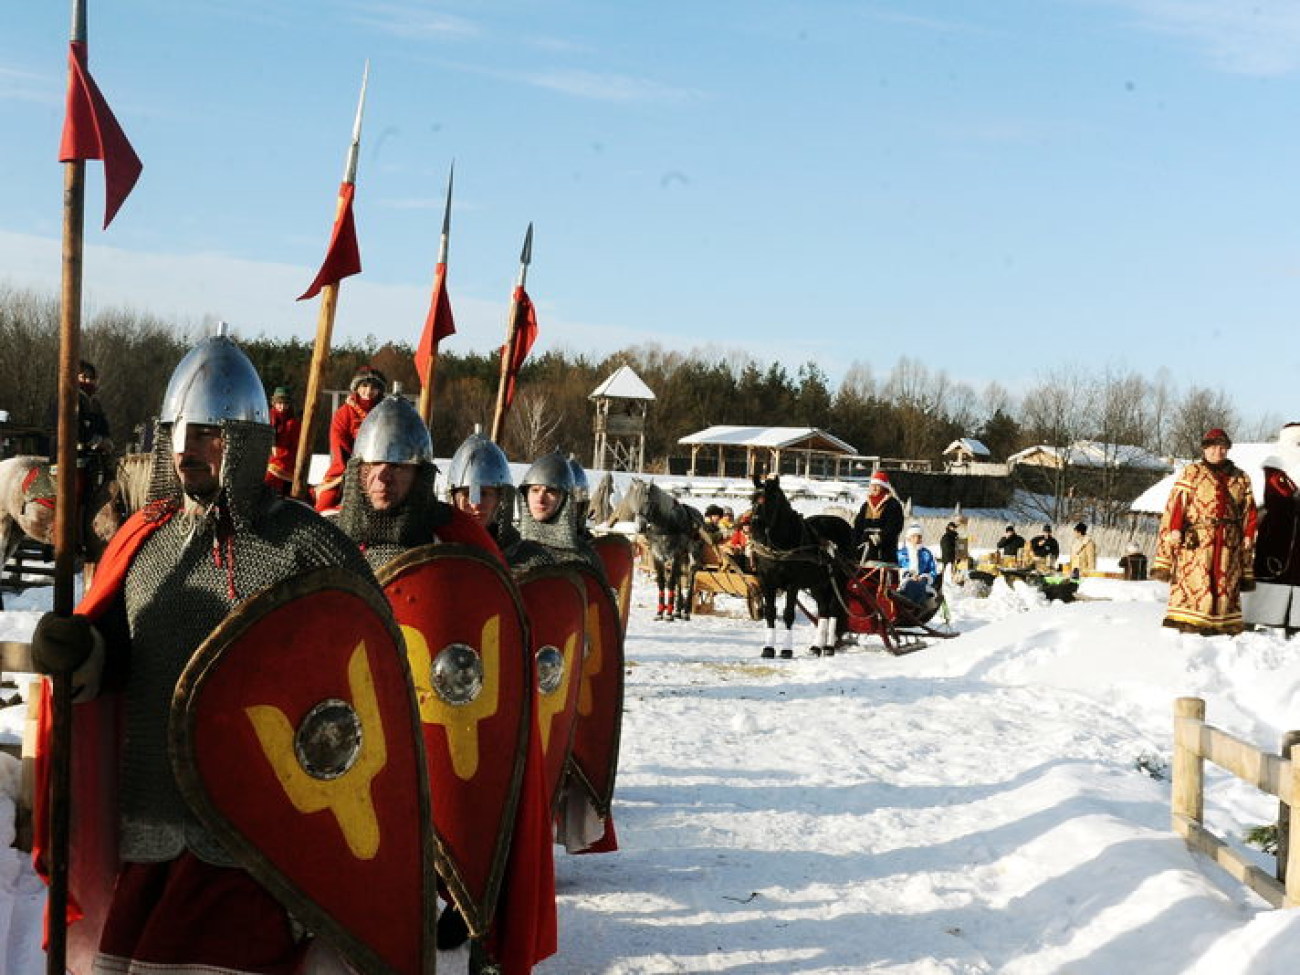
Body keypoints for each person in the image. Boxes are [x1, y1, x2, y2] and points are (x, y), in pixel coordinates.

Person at [30, 327, 381, 975]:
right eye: (180, 432)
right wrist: (80, 656)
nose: (188, 449)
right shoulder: (143, 541)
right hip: (152, 824)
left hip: (254, 836)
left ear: (247, 441)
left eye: (208, 433)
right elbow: (118, 667)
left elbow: (364, 680)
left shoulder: (304, 544)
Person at [336, 389, 500, 572]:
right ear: (357, 471)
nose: (382, 478)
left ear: (420, 476)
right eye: (373, 465)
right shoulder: (328, 541)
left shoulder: (458, 536)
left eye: (397, 467)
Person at [1153, 427, 1257, 635]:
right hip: (1198, 539)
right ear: (1205, 449)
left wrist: (1248, 534)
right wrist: (1175, 529)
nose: (1217, 452)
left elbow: (1250, 510)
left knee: (1225, 580)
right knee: (1196, 579)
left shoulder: (1241, 477)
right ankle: (1190, 622)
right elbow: (1177, 504)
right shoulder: (1192, 472)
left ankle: (1222, 624)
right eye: (1213, 447)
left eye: (1222, 448)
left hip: (1229, 540)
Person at [446, 429, 554, 571]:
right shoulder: (438, 548)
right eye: (467, 494)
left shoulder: (525, 558)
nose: (475, 504)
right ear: (453, 498)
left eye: (484, 494)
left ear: (500, 498)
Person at [1245, 422, 1300, 634]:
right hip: (1279, 528)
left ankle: (1295, 621)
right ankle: (1262, 616)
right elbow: (1279, 497)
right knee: (1272, 571)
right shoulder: (1275, 465)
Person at [314, 364, 386, 514]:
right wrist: (349, 471)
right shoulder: (344, 413)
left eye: (373, 387)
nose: (368, 391)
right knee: (324, 504)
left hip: (379, 469)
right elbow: (338, 444)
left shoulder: (385, 413)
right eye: (364, 386)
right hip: (346, 468)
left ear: (379, 390)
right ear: (357, 387)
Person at [853, 470, 904, 564]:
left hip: (884, 550)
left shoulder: (893, 505)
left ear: (884, 487)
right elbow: (858, 524)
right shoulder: (866, 505)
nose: (874, 488)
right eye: (873, 485)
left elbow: (895, 526)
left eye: (878, 485)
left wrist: (880, 537)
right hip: (864, 549)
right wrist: (856, 540)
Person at [262, 386, 300, 497]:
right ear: (274, 403)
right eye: (279, 403)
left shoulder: (293, 424)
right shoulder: (268, 418)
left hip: (287, 467)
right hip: (271, 465)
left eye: (285, 404)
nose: (282, 407)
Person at [893, 522, 939, 613]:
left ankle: (916, 607)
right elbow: (896, 568)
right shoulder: (901, 553)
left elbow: (932, 570)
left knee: (920, 585)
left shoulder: (926, 553)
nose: (917, 539)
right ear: (909, 538)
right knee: (911, 585)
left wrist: (925, 577)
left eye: (919, 536)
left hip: (923, 581)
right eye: (914, 536)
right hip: (904, 581)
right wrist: (908, 575)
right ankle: (909, 607)